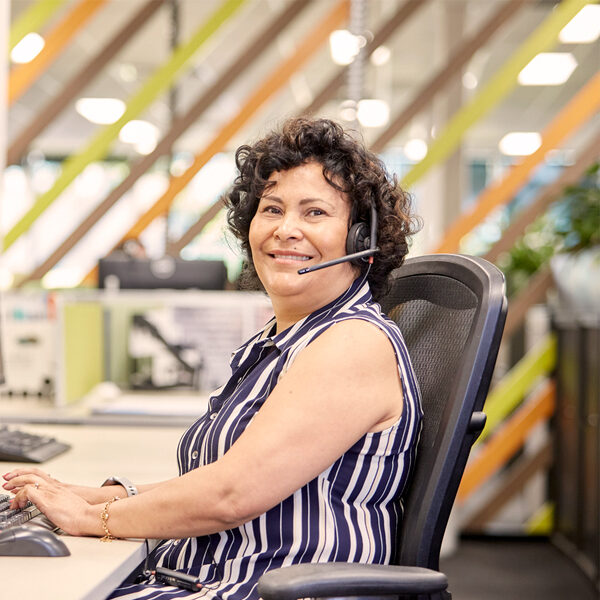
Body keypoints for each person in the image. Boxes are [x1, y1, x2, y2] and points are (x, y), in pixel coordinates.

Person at [3, 117, 422, 600]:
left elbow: (231, 495)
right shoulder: (284, 340)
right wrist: (105, 497)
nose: (286, 230)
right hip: (217, 580)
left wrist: (91, 518)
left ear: (359, 238)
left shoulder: (350, 342)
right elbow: (224, 478)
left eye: (314, 213)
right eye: (272, 209)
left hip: (261, 590)